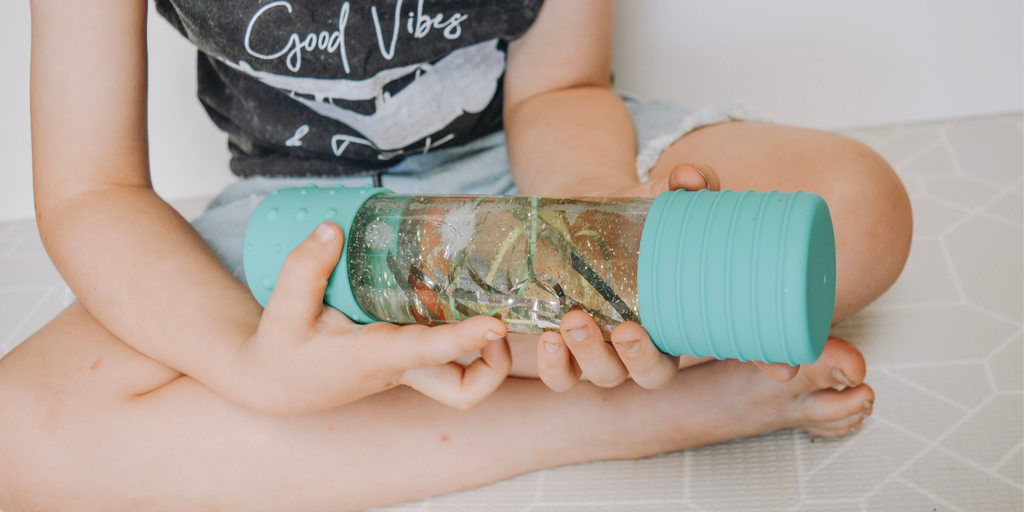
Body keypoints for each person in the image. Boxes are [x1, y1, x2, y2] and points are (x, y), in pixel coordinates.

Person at [0, 0, 911, 510]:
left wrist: (588, 227)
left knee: (856, 212)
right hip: (308, 221)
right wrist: (245, 360)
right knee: (19, 436)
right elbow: (92, 192)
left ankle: (533, 355)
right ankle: (629, 415)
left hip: (527, 170)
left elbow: (560, 86)